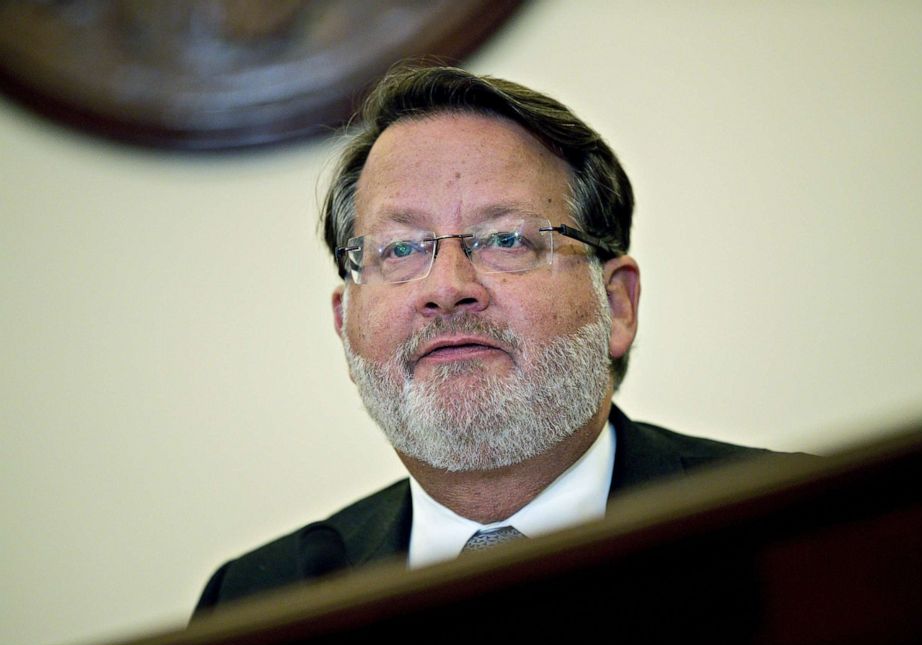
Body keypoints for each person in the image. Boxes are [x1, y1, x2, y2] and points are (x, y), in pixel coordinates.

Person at [193, 64, 773, 615]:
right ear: (345, 325)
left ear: (617, 304)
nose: (447, 288)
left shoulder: (790, 527)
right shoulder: (257, 598)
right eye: (399, 249)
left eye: (505, 240)